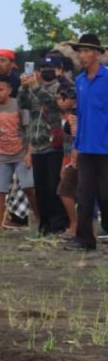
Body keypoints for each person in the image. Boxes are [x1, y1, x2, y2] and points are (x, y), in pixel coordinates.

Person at [20, 54, 74, 235]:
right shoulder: (36, 88)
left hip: (54, 144)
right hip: (36, 145)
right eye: (42, 69)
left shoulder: (64, 88)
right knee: (41, 188)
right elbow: (23, 105)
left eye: (50, 69)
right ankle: (45, 225)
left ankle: (59, 223)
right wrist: (23, 87)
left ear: (59, 70)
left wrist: (34, 86)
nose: (45, 72)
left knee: (53, 186)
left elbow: (53, 104)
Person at [66, 34, 108, 252]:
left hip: (106, 148)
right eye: (80, 51)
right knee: (84, 195)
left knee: (105, 194)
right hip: (86, 148)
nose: (82, 55)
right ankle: (85, 240)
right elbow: (80, 115)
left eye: (87, 51)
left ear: (97, 54)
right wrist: (76, 146)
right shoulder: (80, 81)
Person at [0, 76, 35, 234]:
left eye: (0, 90)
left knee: (29, 187)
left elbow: (29, 130)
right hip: (2, 155)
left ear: (9, 90)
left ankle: (38, 217)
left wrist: (29, 153)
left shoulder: (19, 106)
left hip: (21, 153)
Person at [57, 88, 78, 239]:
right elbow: (67, 144)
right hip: (71, 157)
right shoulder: (66, 117)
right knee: (65, 190)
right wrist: (65, 162)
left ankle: (76, 225)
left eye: (65, 98)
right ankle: (75, 224)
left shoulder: (79, 113)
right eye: (59, 98)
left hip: (83, 156)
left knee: (66, 190)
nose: (62, 101)